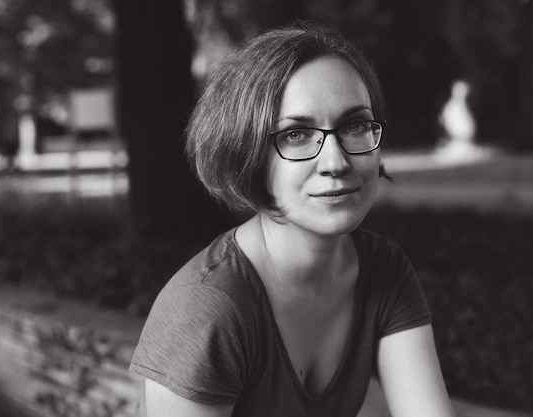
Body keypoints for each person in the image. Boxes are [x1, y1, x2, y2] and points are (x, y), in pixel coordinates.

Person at [129, 21, 455, 417]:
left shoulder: (384, 271)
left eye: (354, 126)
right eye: (296, 135)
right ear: (247, 154)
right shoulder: (207, 310)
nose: (335, 162)